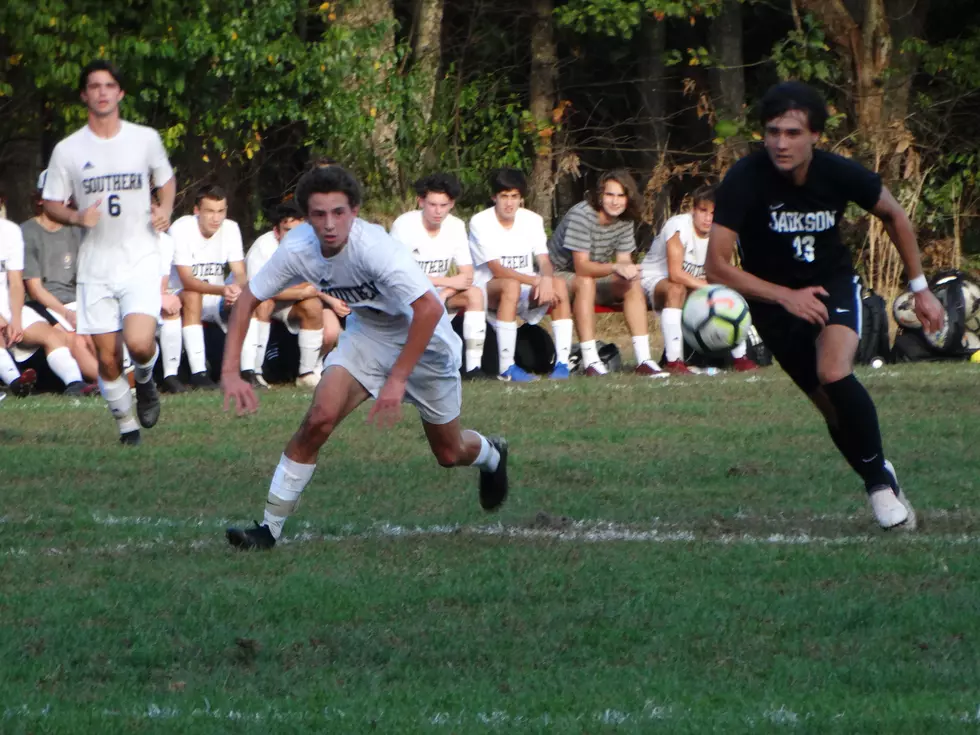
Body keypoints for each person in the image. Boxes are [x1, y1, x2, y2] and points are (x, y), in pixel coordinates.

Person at [221, 166, 508, 550]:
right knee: (318, 420)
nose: (329, 224)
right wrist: (229, 370)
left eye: (338, 212)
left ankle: (492, 454)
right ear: (306, 217)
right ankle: (268, 530)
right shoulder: (297, 248)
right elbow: (248, 300)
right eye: (319, 214)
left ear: (355, 211)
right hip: (368, 336)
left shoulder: (375, 248)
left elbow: (428, 310)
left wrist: (398, 379)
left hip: (424, 342)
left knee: (448, 452)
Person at [705, 80, 944, 530]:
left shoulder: (838, 173)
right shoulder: (744, 178)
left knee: (833, 371)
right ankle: (881, 472)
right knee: (831, 409)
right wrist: (784, 296)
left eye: (793, 133)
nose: (781, 142)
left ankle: (876, 485)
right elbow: (716, 267)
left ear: (816, 135)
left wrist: (921, 287)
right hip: (775, 302)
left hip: (831, 284)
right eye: (773, 131)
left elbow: (894, 215)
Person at [42, 59, 175, 444]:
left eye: (109, 85)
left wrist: (164, 209)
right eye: (94, 86)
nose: (102, 92)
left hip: (140, 257)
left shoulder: (144, 138)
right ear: (85, 94)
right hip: (96, 264)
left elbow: (165, 181)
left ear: (120, 93)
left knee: (138, 343)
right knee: (108, 358)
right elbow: (51, 202)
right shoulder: (68, 149)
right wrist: (75, 216)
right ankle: (126, 426)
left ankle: (146, 379)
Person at [548, 169, 665, 377]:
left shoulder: (626, 220)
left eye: (621, 196)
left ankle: (644, 360)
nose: (615, 201)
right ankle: (591, 359)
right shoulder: (582, 215)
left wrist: (628, 271)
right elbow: (581, 266)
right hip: (557, 275)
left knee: (632, 284)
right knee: (585, 282)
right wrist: (614, 268)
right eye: (610, 195)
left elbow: (623, 261)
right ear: (600, 196)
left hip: (592, 276)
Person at [469, 168, 573, 382]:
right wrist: (536, 280)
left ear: (521, 199)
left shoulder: (532, 220)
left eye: (514, 197)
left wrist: (546, 279)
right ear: (494, 197)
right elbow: (496, 269)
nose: (509, 203)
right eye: (504, 196)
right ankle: (508, 366)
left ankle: (562, 363)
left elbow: (544, 259)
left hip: (525, 285)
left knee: (559, 285)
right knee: (510, 285)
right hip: (489, 288)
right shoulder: (480, 222)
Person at [642, 185, 758, 373]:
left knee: (728, 294)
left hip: (690, 284)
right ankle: (674, 361)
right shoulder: (678, 226)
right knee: (676, 289)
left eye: (714, 213)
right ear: (693, 210)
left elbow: (719, 272)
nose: (708, 218)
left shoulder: (720, 233)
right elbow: (675, 273)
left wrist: (718, 287)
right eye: (703, 211)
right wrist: (709, 287)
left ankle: (740, 357)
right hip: (653, 279)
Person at [391, 173, 487, 378]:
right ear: (421, 201)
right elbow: (398, 275)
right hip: (408, 296)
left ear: (451, 204)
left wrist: (444, 293)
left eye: (443, 205)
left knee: (475, 294)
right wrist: (446, 282)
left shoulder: (456, 226)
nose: (438, 211)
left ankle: (473, 367)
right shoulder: (404, 225)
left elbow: (467, 274)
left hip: (440, 296)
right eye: (432, 204)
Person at [240, 200, 340, 389]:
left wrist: (330, 300)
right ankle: (254, 371)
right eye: (287, 230)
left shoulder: (313, 246)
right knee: (265, 303)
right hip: (251, 302)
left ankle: (307, 373)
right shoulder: (263, 247)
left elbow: (319, 283)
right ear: (277, 232)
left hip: (290, 301)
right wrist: (301, 291)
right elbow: (256, 292)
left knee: (328, 327)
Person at [22, 170, 100, 382]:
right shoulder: (27, 233)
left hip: (78, 302)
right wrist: (66, 313)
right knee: (76, 339)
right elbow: (35, 290)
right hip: (46, 307)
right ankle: (109, 383)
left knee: (98, 334)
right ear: (40, 199)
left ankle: (119, 379)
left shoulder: (77, 231)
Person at [170, 184, 246, 389]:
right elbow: (187, 280)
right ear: (197, 211)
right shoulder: (181, 228)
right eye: (210, 211)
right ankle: (198, 373)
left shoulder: (231, 228)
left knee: (248, 298)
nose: (216, 218)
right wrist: (224, 290)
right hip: (180, 298)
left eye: (221, 211)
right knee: (193, 294)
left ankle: (250, 371)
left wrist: (236, 290)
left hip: (216, 299)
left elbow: (239, 272)